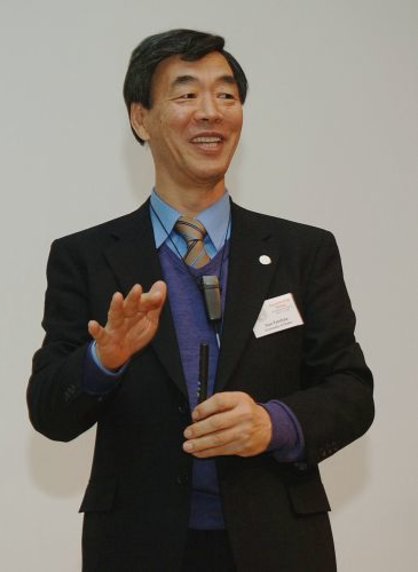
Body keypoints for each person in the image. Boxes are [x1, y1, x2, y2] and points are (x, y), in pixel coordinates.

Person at [27, 29, 374, 572]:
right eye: (187, 94)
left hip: (279, 543)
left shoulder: (302, 251)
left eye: (226, 95)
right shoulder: (87, 256)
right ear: (141, 119)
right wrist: (103, 359)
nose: (211, 112)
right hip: (137, 546)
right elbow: (50, 411)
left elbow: (351, 391)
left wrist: (274, 423)